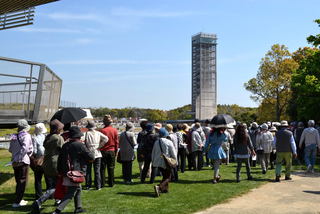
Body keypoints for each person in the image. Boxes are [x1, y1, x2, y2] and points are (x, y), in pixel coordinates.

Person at [53, 126, 94, 214]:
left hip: (66, 172)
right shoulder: (79, 145)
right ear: (78, 135)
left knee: (78, 189)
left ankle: (78, 207)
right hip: (75, 172)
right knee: (71, 193)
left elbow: (60, 160)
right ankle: (57, 210)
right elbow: (91, 157)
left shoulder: (65, 145)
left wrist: (60, 172)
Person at [32, 119, 65, 214]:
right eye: (61, 129)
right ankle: (39, 201)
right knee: (56, 185)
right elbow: (63, 150)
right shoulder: (58, 138)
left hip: (48, 162)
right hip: (56, 163)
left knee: (54, 184)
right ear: (58, 129)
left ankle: (57, 199)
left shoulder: (48, 137)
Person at [9, 119, 33, 208]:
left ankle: (19, 198)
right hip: (22, 160)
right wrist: (22, 156)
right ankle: (17, 201)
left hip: (14, 161)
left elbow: (10, 149)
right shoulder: (26, 136)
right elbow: (26, 148)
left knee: (18, 180)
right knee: (22, 181)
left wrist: (15, 156)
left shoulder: (13, 136)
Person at [152, 128, 177, 197]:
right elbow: (173, 153)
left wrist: (153, 162)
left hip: (158, 162)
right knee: (168, 177)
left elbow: (153, 153)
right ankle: (159, 187)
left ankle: (165, 189)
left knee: (165, 175)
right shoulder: (169, 142)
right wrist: (175, 161)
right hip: (166, 162)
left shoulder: (156, 142)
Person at [84, 120, 108, 190]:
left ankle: (88, 185)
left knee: (88, 171)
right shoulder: (98, 133)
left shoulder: (86, 133)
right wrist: (100, 146)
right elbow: (106, 139)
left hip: (89, 153)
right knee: (97, 171)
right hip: (97, 153)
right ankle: (98, 186)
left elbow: (81, 140)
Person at [100, 115, 119, 187]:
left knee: (102, 168)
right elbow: (117, 142)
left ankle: (102, 183)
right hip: (111, 151)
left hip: (103, 151)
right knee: (111, 167)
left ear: (104, 122)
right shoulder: (114, 130)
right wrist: (116, 152)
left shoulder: (102, 130)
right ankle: (111, 183)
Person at [30, 123, 47, 199]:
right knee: (48, 177)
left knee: (38, 179)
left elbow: (35, 151)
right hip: (46, 158)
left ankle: (39, 195)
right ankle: (50, 194)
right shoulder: (46, 137)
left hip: (38, 159)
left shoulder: (34, 138)